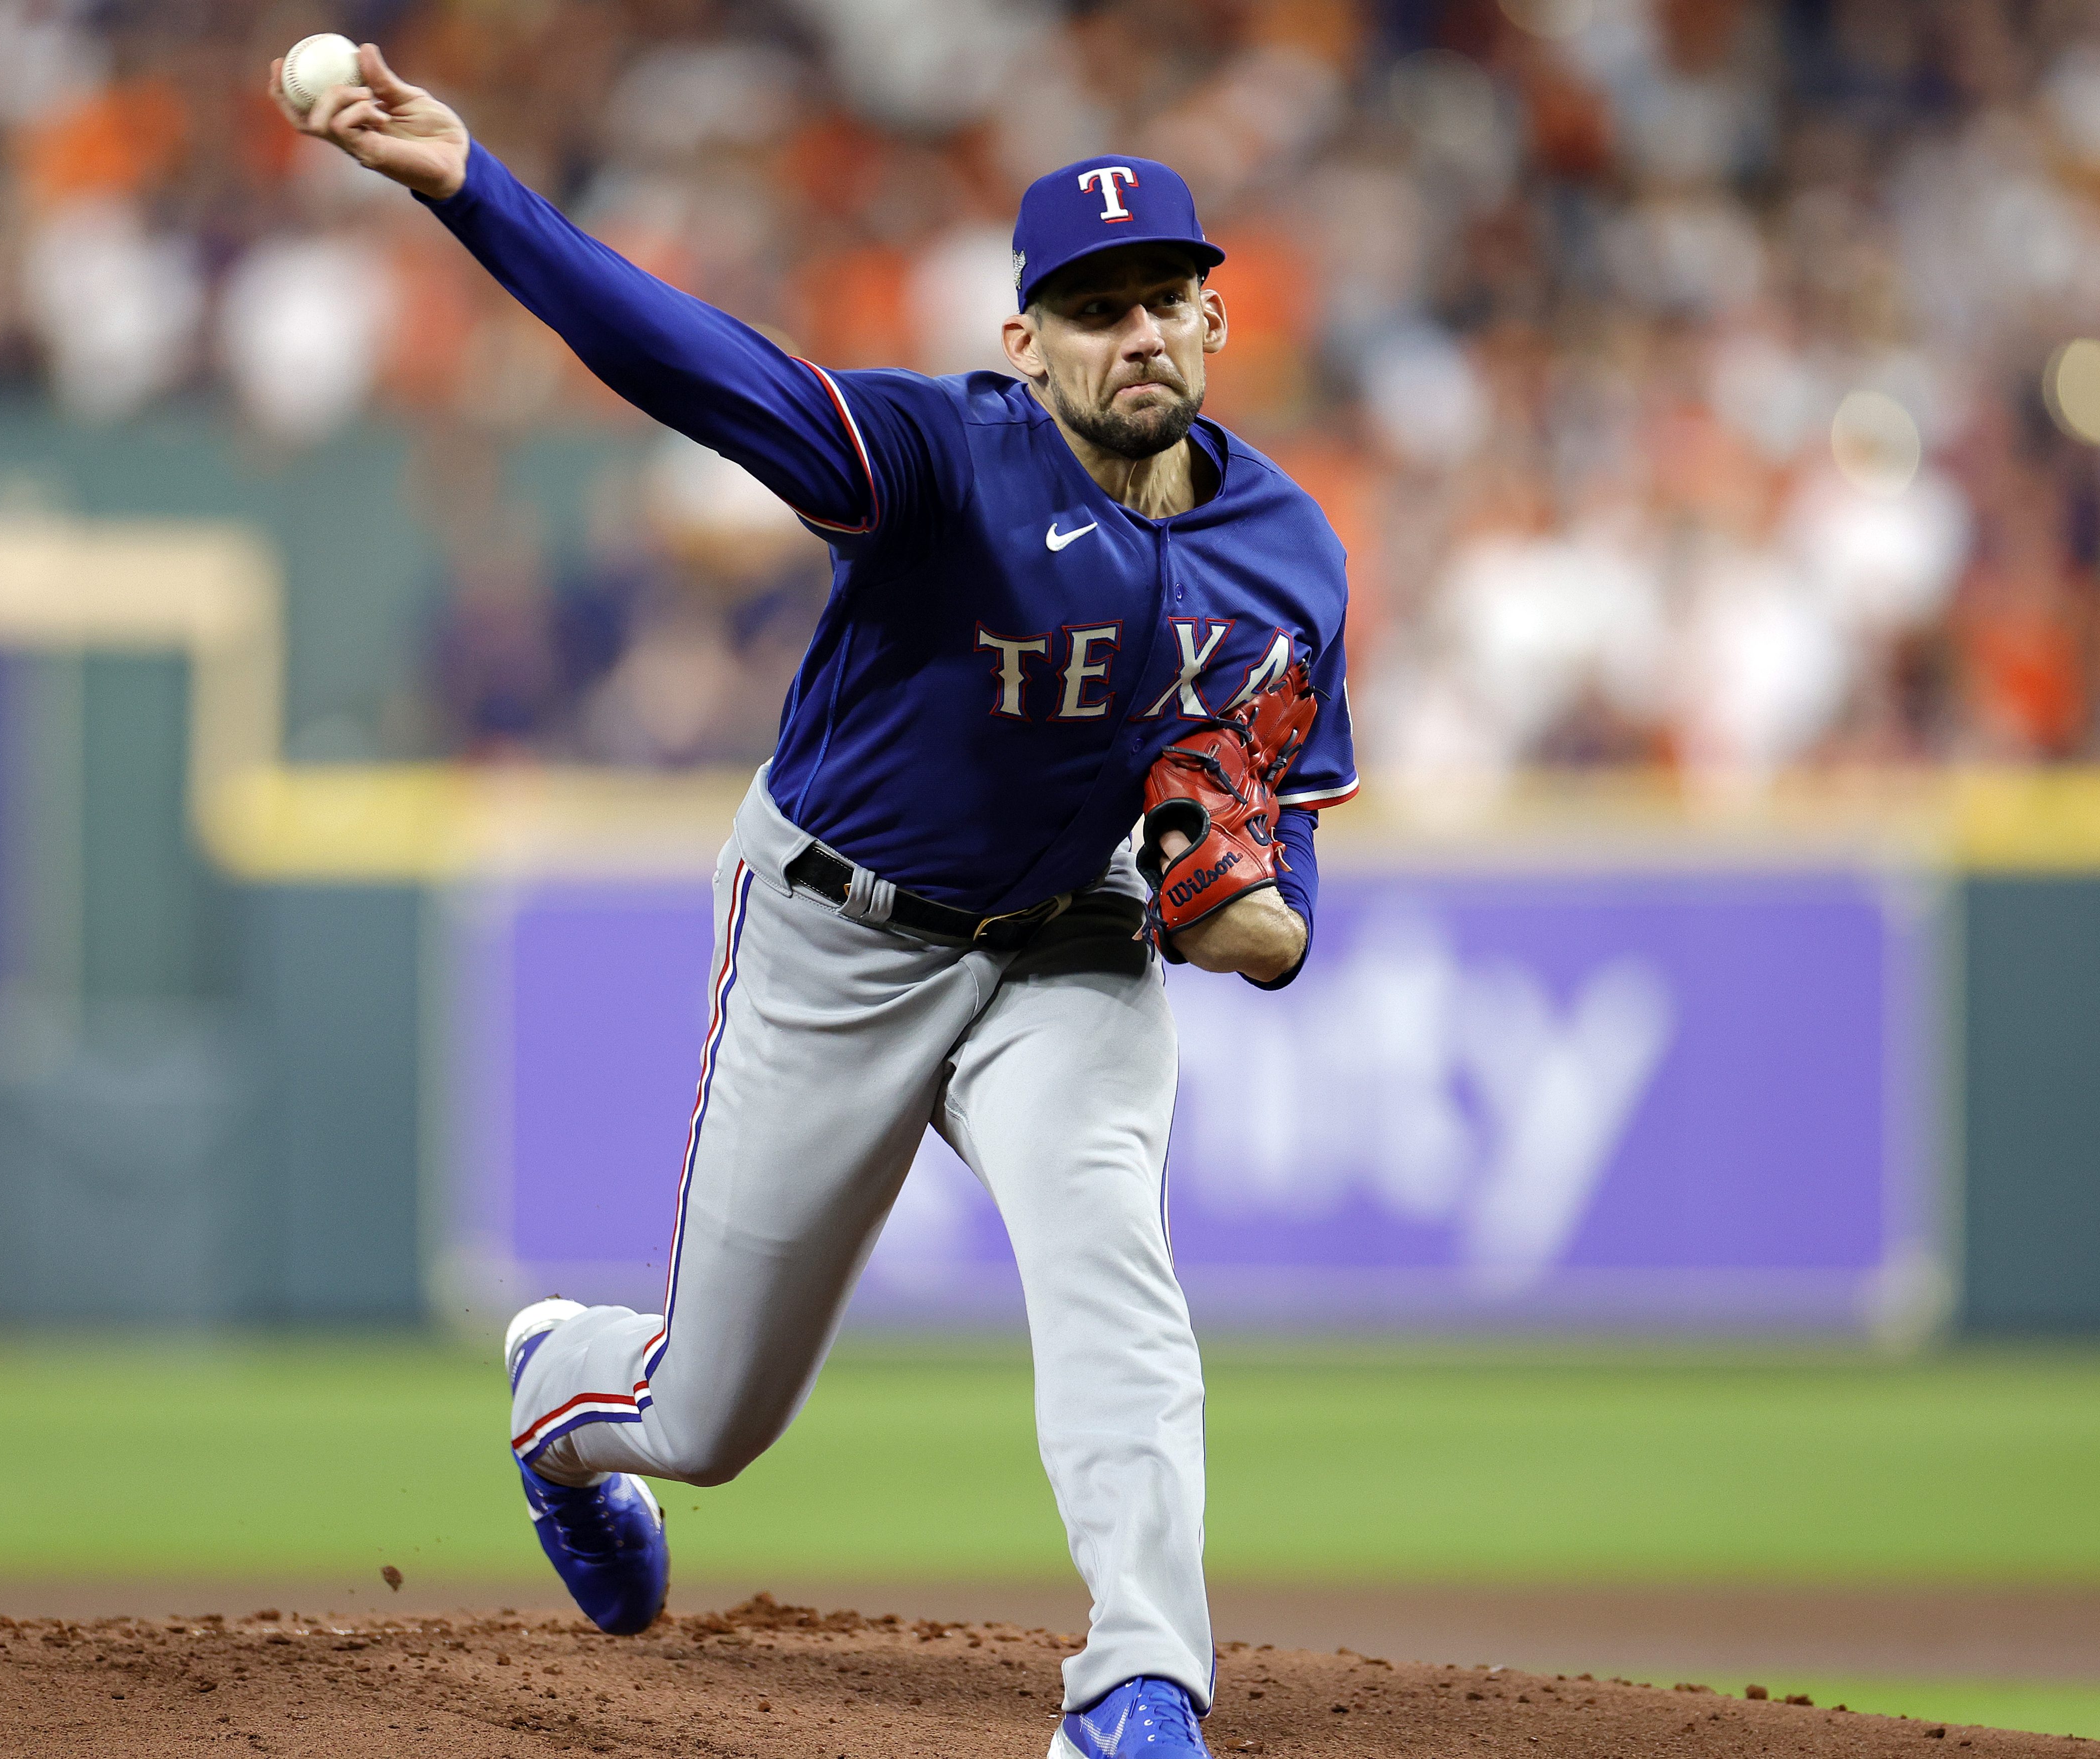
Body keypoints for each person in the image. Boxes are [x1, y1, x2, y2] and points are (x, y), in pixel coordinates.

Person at [277, 43, 1357, 1759]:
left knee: (1111, 1264)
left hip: (1069, 955)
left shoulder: (1291, 556)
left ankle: (1141, 1687)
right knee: (706, 1416)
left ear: (1219, 321)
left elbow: (1276, 872)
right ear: (1027, 343)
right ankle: (562, 1388)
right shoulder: (943, 459)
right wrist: (468, 183)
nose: (1136, 332)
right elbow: (693, 365)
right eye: (1092, 308)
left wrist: (1251, 918)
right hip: (838, 937)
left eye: (1164, 296)